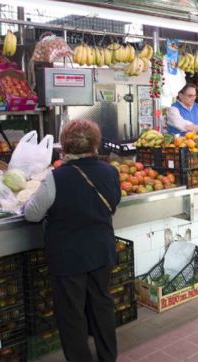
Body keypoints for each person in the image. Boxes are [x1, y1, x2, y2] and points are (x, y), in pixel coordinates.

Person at [24, 119, 120, 362]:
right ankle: (108, 356)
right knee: (102, 304)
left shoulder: (56, 178)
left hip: (68, 256)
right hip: (101, 250)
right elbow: (114, 203)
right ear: (95, 144)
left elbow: (32, 214)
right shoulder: (111, 172)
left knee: (71, 313)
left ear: (65, 146)